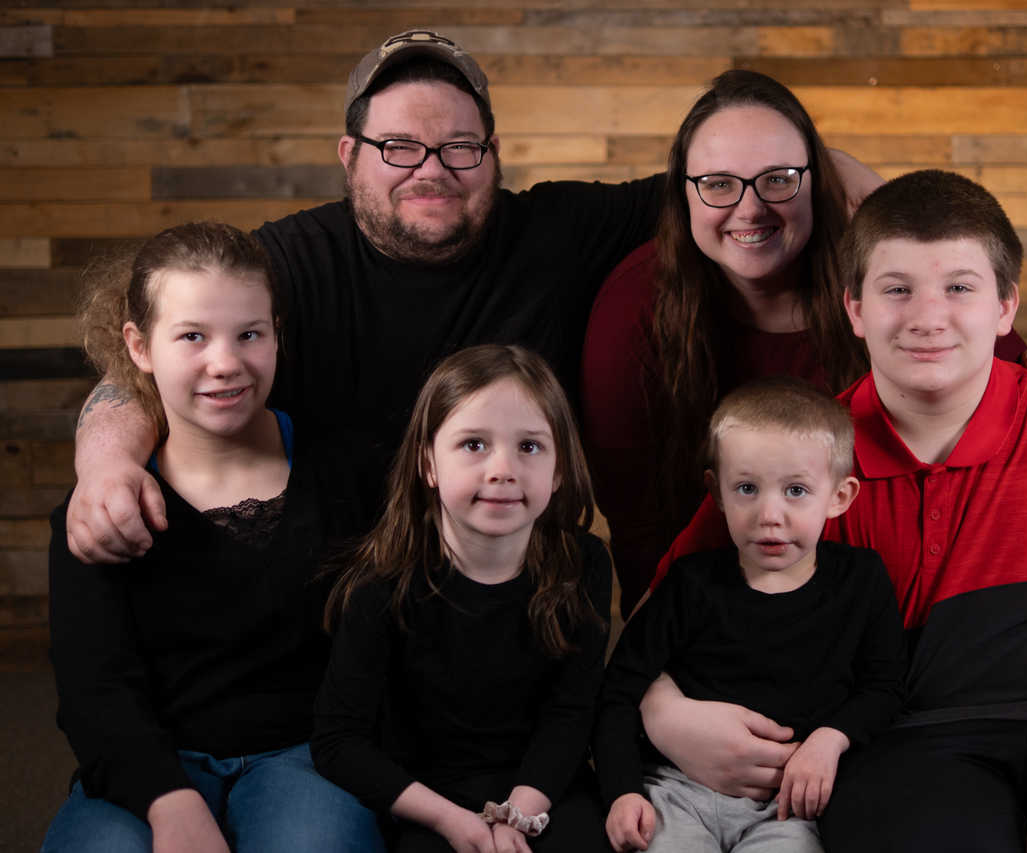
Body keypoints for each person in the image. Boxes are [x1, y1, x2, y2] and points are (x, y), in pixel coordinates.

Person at [65, 33, 889, 567]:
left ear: (493, 152)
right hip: (342, 582)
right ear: (349, 155)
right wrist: (105, 466)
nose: (432, 170)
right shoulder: (291, 259)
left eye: (459, 146)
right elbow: (149, 363)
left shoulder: (558, 230)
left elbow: (722, 180)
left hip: (519, 579)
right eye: (399, 147)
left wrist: (834, 168)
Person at [641, 170, 1027, 852]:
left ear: (1005, 306)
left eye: (959, 287)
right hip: (905, 744)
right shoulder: (800, 462)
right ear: (854, 308)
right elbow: (660, 620)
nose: (928, 317)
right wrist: (664, 712)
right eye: (897, 289)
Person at [581, 70, 1027, 615]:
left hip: (891, 593)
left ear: (817, 182)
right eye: (719, 184)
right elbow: (641, 527)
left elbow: (996, 375)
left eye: (778, 179)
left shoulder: (880, 276)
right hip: (716, 602)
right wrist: (669, 642)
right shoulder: (634, 307)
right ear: (683, 193)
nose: (750, 208)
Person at [42, 223, 384, 853]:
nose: (225, 363)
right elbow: (95, 690)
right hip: (150, 757)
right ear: (139, 346)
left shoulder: (351, 474)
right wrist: (169, 803)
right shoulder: (97, 510)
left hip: (313, 754)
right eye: (192, 336)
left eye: (249, 334)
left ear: (276, 334)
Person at [311, 345, 614, 853]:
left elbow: (570, 713)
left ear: (559, 469)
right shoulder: (383, 582)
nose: (503, 469)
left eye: (530, 447)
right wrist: (454, 822)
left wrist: (518, 815)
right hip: (430, 798)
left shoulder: (583, 565)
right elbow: (337, 740)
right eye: (474, 444)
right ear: (428, 463)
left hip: (544, 784)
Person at [594, 377, 906, 853]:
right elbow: (619, 690)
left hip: (789, 805)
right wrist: (622, 792)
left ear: (839, 497)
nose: (769, 514)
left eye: (796, 490)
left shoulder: (861, 582)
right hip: (677, 790)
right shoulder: (689, 584)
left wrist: (831, 738)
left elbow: (885, 687)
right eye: (746, 488)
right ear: (716, 491)